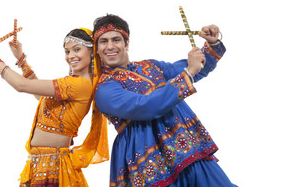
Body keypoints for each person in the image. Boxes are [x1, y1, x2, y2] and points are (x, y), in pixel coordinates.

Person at [92, 14, 236, 186]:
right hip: (148, 159)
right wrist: (188, 73)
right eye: (103, 41)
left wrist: (211, 45)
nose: (110, 46)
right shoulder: (105, 88)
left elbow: (196, 68)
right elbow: (145, 106)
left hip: (185, 146)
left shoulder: (150, 66)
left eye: (116, 39)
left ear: (126, 43)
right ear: (97, 48)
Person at [0, 28, 109, 187]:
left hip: (53, 166)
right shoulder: (78, 83)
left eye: (77, 49)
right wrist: (21, 59)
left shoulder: (79, 84)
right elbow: (41, 96)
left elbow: (22, 85)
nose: (71, 56)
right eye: (67, 51)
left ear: (92, 52)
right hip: (43, 164)